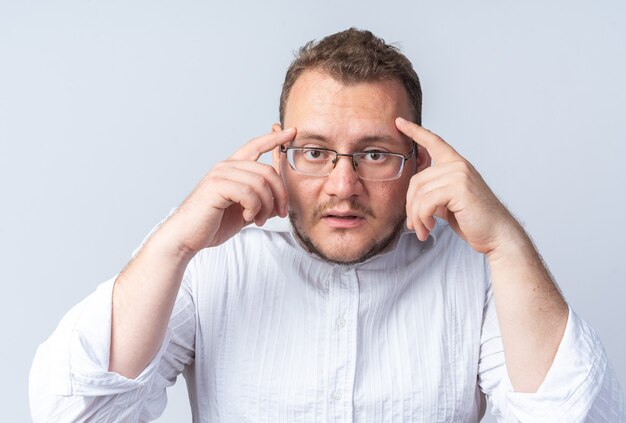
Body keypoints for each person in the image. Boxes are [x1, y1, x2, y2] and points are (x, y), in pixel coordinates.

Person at [30, 28, 624, 422]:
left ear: (420, 159)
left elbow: (576, 416)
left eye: (373, 154)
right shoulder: (210, 257)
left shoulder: (476, 265)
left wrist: (507, 242)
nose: (343, 186)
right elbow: (73, 412)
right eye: (314, 151)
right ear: (278, 153)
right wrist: (174, 242)